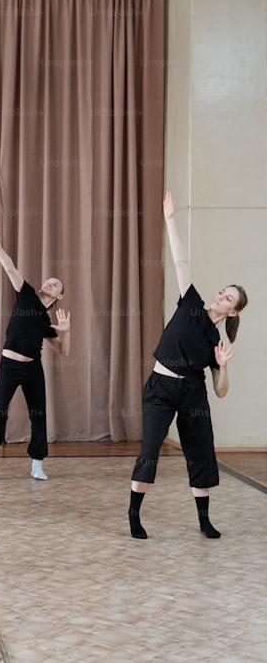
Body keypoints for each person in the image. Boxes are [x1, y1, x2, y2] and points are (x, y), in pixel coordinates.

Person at [128, 191, 247, 539]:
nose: (220, 296)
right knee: (150, 450)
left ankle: (204, 520)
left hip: (192, 391)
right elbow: (180, 262)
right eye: (223, 291)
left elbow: (221, 392)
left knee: (200, 451)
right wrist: (169, 220)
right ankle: (134, 515)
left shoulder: (217, 341)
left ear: (234, 311)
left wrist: (223, 366)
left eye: (229, 298)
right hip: (161, 388)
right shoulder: (191, 303)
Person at [0, 219, 71, 481]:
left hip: (33, 368)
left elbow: (63, 352)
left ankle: (37, 464)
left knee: (39, 414)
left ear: (60, 297)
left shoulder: (46, 320)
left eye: (56, 284)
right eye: (49, 280)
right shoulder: (27, 293)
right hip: (9, 365)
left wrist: (66, 331)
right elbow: (9, 267)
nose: (50, 283)